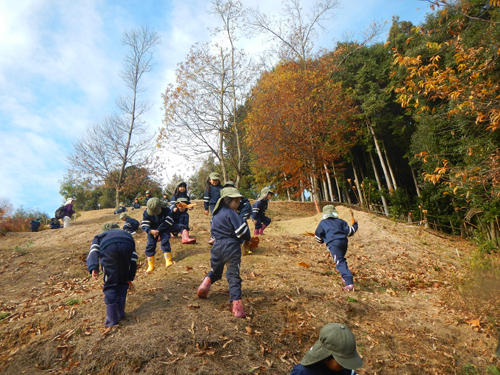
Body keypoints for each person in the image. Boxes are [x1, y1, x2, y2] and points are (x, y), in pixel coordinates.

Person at [197, 187, 251, 318]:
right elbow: (242, 231)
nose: (238, 204)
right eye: (236, 201)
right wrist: (247, 237)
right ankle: (237, 305)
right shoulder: (232, 213)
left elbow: (213, 234)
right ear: (228, 201)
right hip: (231, 247)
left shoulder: (216, 215)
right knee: (233, 275)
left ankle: (206, 282)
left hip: (216, 247)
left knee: (216, 271)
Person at [86, 223, 137, 327]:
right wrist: (130, 276)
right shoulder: (126, 234)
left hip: (109, 248)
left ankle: (112, 320)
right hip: (127, 244)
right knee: (123, 281)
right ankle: (120, 313)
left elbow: (93, 251)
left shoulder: (100, 236)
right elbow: (133, 258)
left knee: (111, 282)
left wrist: (93, 267)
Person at [291, 323, 363, 374]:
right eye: (341, 361)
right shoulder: (303, 372)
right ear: (326, 355)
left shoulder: (343, 370)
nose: (344, 365)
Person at [315, 205, 358, 291]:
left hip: (334, 244)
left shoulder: (323, 223)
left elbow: (318, 236)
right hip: (344, 243)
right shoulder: (341, 221)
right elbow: (350, 232)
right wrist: (355, 225)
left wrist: (322, 241)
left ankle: (349, 282)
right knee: (341, 259)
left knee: (340, 262)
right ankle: (344, 275)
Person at [141, 197, 187, 272]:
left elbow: (169, 221)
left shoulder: (166, 210)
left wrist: (158, 230)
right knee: (150, 245)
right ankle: (151, 265)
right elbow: (144, 223)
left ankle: (168, 260)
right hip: (152, 230)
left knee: (165, 242)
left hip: (164, 228)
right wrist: (150, 230)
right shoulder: (146, 213)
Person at [224, 181, 252, 253]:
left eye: (231, 187)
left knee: (241, 222)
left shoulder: (236, 195)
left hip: (245, 208)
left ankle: (245, 242)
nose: (229, 189)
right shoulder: (226, 197)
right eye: (227, 187)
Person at [203, 172, 223, 245]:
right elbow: (206, 199)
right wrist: (206, 208)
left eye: (216, 180)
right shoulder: (209, 188)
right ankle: (214, 236)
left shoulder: (222, 188)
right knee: (214, 219)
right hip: (213, 205)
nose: (215, 182)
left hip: (221, 206)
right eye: (213, 180)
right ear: (209, 180)